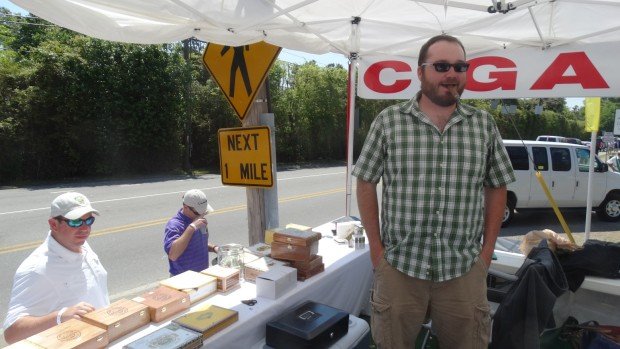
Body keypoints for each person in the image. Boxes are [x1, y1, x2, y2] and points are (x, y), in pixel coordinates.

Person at [352, 34, 516, 349]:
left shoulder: (483, 125)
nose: (451, 74)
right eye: (441, 66)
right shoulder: (389, 122)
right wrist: (377, 252)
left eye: (459, 66)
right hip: (400, 268)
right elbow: (365, 181)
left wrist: (485, 256)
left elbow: (497, 187)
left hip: (463, 271)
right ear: (420, 72)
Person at [3, 192, 109, 344]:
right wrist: (59, 317)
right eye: (75, 222)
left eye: (89, 220)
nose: (85, 228)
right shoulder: (36, 268)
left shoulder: (81, 245)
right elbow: (12, 333)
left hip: (101, 339)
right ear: (53, 224)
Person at [164, 189, 218, 276]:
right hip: (183, 279)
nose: (202, 214)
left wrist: (214, 248)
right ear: (186, 207)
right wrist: (191, 228)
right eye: (198, 212)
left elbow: (199, 243)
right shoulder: (175, 225)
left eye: (204, 211)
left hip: (202, 275)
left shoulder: (200, 220)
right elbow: (173, 255)